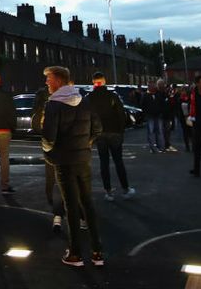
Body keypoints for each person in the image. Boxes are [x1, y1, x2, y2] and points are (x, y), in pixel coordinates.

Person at [41, 66, 103, 267]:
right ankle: (97, 251)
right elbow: (97, 128)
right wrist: (86, 144)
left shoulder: (53, 105)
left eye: (49, 78)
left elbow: (49, 137)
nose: (46, 82)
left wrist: (48, 152)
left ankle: (75, 253)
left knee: (71, 206)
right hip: (83, 159)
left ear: (59, 80)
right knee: (87, 202)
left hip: (64, 161)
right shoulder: (84, 102)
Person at [85, 72, 135, 200]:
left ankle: (108, 191)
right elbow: (121, 114)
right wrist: (121, 130)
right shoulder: (112, 96)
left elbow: (87, 117)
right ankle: (125, 188)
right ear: (104, 81)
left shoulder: (90, 97)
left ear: (93, 82)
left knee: (104, 162)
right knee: (118, 161)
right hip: (114, 132)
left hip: (100, 134)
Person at [32, 82, 64, 229]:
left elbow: (36, 123)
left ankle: (52, 198)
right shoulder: (64, 98)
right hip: (62, 141)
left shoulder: (42, 100)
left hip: (49, 140)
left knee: (51, 170)